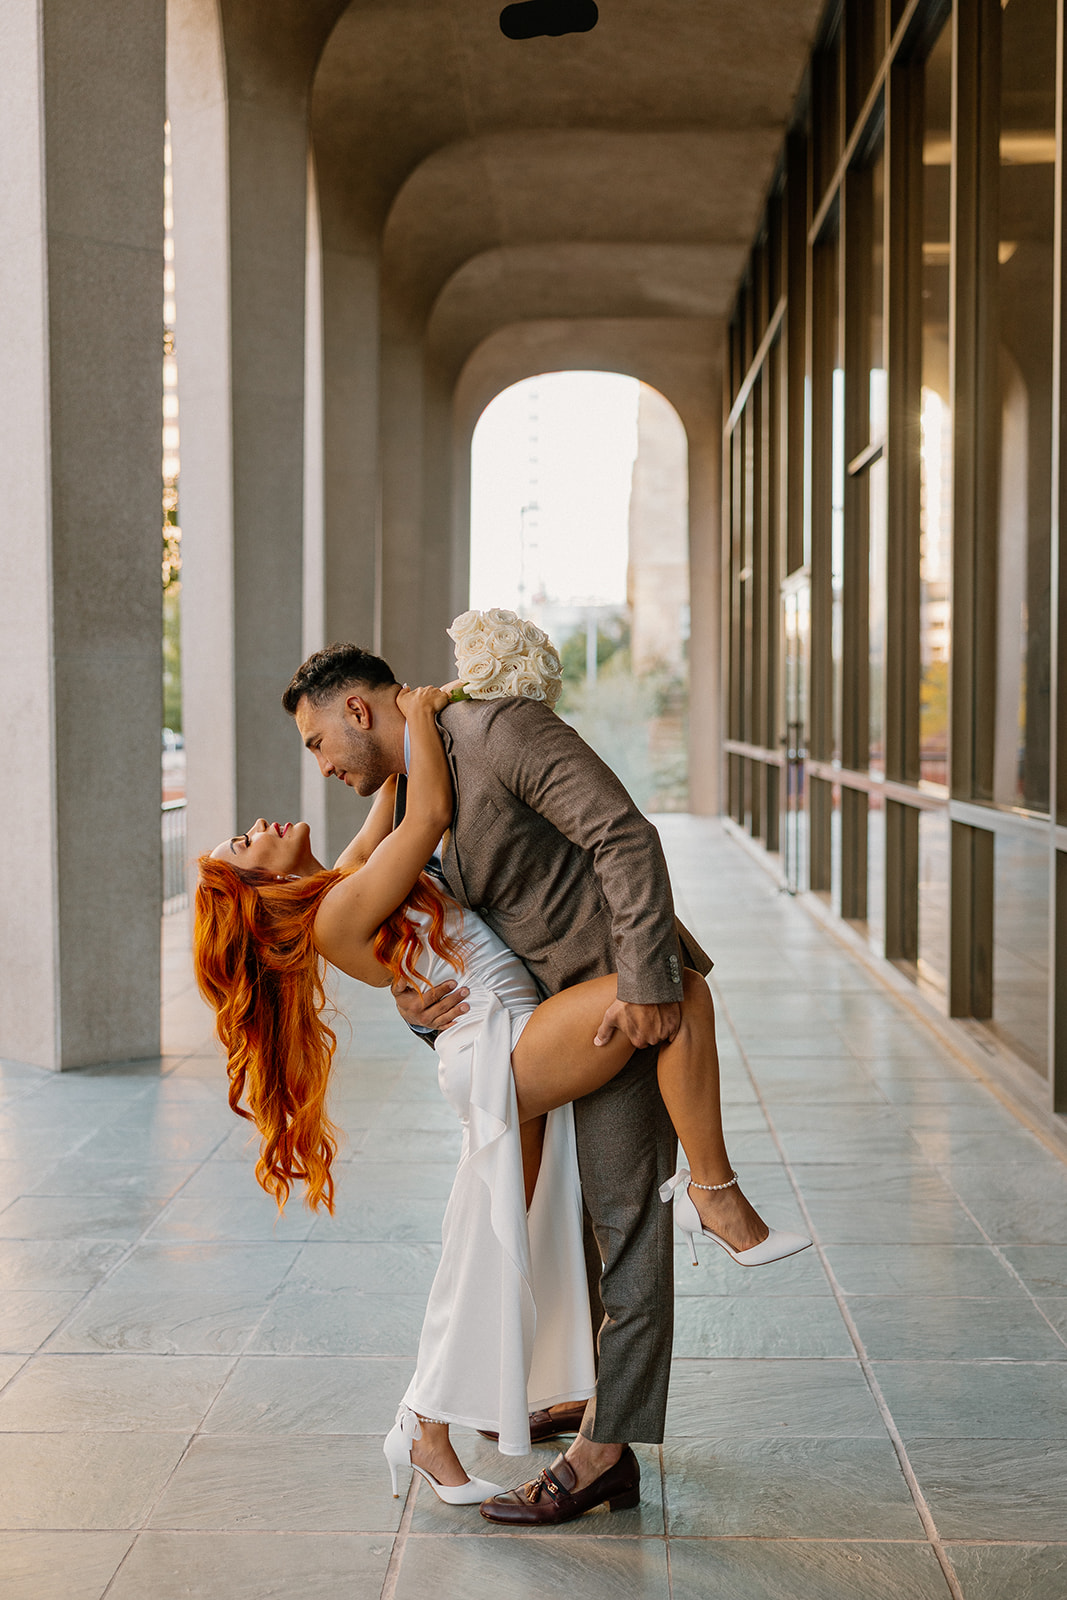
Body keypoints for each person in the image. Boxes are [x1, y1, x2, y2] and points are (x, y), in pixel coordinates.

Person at [195, 682, 809, 1521]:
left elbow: (391, 805)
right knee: (677, 994)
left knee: (494, 1246)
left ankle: (429, 1428)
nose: (259, 824)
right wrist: (419, 713)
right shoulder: (336, 911)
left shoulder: (337, 882)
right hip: (498, 1054)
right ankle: (711, 1190)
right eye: (245, 845)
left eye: (316, 741)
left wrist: (417, 723)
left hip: (508, 1035)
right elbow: (425, 815)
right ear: (257, 895)